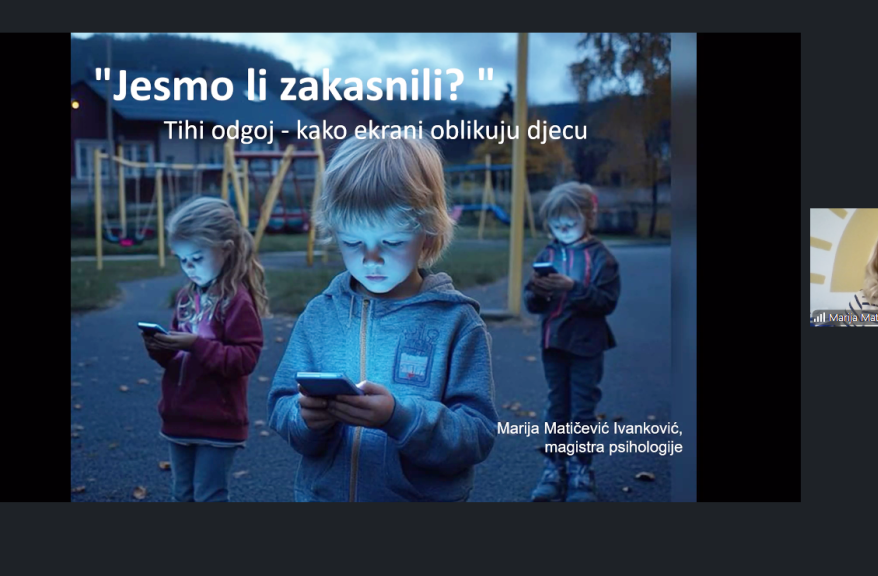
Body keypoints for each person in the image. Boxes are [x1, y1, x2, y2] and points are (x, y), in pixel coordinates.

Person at [267, 135, 498, 502]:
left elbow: (476, 434)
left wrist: (400, 417)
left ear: (428, 233)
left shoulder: (455, 323)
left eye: (390, 242)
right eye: (353, 242)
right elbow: (281, 405)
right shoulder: (321, 315)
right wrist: (306, 418)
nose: (371, 259)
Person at [142, 196, 269, 501]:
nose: (189, 268)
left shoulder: (236, 302)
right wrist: (159, 346)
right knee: (181, 493)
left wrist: (196, 345)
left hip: (218, 422)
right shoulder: (186, 297)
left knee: (209, 495)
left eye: (196, 258)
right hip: (178, 416)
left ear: (225, 249)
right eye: (182, 259)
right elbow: (175, 358)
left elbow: (245, 358)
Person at [523, 182, 621, 502]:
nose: (562, 229)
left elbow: (606, 302)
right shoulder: (548, 254)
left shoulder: (602, 258)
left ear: (589, 216)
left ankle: (580, 469)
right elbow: (532, 303)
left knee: (581, 408)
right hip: (553, 343)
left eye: (570, 222)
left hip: (587, 345)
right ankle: (555, 467)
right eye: (555, 223)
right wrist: (539, 291)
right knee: (556, 406)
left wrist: (572, 286)